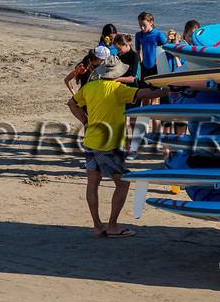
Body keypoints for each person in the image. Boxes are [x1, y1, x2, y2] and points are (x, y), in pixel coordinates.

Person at [65, 65, 159, 238]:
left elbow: (71, 104)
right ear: (117, 74)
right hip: (108, 144)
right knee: (123, 183)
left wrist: (85, 121)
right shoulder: (117, 88)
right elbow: (143, 94)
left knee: (93, 183)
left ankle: (97, 226)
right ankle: (113, 226)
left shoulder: (90, 87)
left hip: (90, 140)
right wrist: (166, 92)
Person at [133, 10, 168, 83]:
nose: (142, 28)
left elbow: (167, 48)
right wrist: (140, 58)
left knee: (156, 89)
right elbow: (138, 51)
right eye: (140, 25)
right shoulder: (138, 35)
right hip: (144, 66)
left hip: (156, 65)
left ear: (151, 23)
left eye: (144, 25)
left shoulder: (158, 34)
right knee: (144, 87)